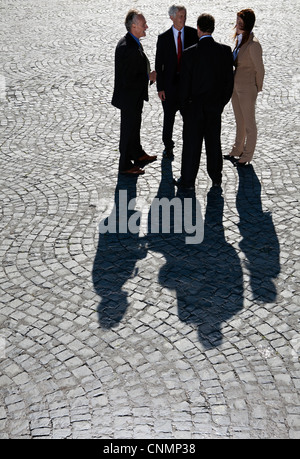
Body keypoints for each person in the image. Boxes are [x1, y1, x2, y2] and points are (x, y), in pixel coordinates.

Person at [174, 14, 234, 191]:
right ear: (212, 28)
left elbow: (184, 85)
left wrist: (184, 108)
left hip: (194, 108)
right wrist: (221, 104)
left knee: (191, 146)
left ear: (198, 29)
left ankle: (188, 180)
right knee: (214, 143)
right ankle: (216, 178)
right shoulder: (224, 51)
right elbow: (228, 83)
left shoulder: (189, 53)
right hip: (214, 107)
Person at [112, 10, 157, 176]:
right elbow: (129, 77)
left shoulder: (133, 42)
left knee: (134, 126)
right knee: (127, 129)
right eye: (143, 24)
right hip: (129, 97)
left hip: (134, 96)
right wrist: (148, 76)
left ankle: (137, 154)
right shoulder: (127, 47)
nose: (147, 26)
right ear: (134, 26)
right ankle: (124, 164)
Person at [155, 5, 198, 159]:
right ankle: (168, 146)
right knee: (168, 119)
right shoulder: (163, 38)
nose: (183, 19)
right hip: (169, 86)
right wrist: (160, 88)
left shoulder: (193, 34)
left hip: (187, 87)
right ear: (171, 17)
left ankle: (190, 144)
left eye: (184, 15)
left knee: (189, 118)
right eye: (180, 16)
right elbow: (158, 64)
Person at [224, 8, 264, 166]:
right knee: (239, 121)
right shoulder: (240, 40)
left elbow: (260, 69)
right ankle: (237, 150)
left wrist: (257, 88)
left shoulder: (253, 45)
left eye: (240, 23)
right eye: (237, 22)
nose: (237, 25)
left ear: (248, 24)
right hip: (235, 87)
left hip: (247, 89)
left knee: (249, 124)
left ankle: (247, 155)